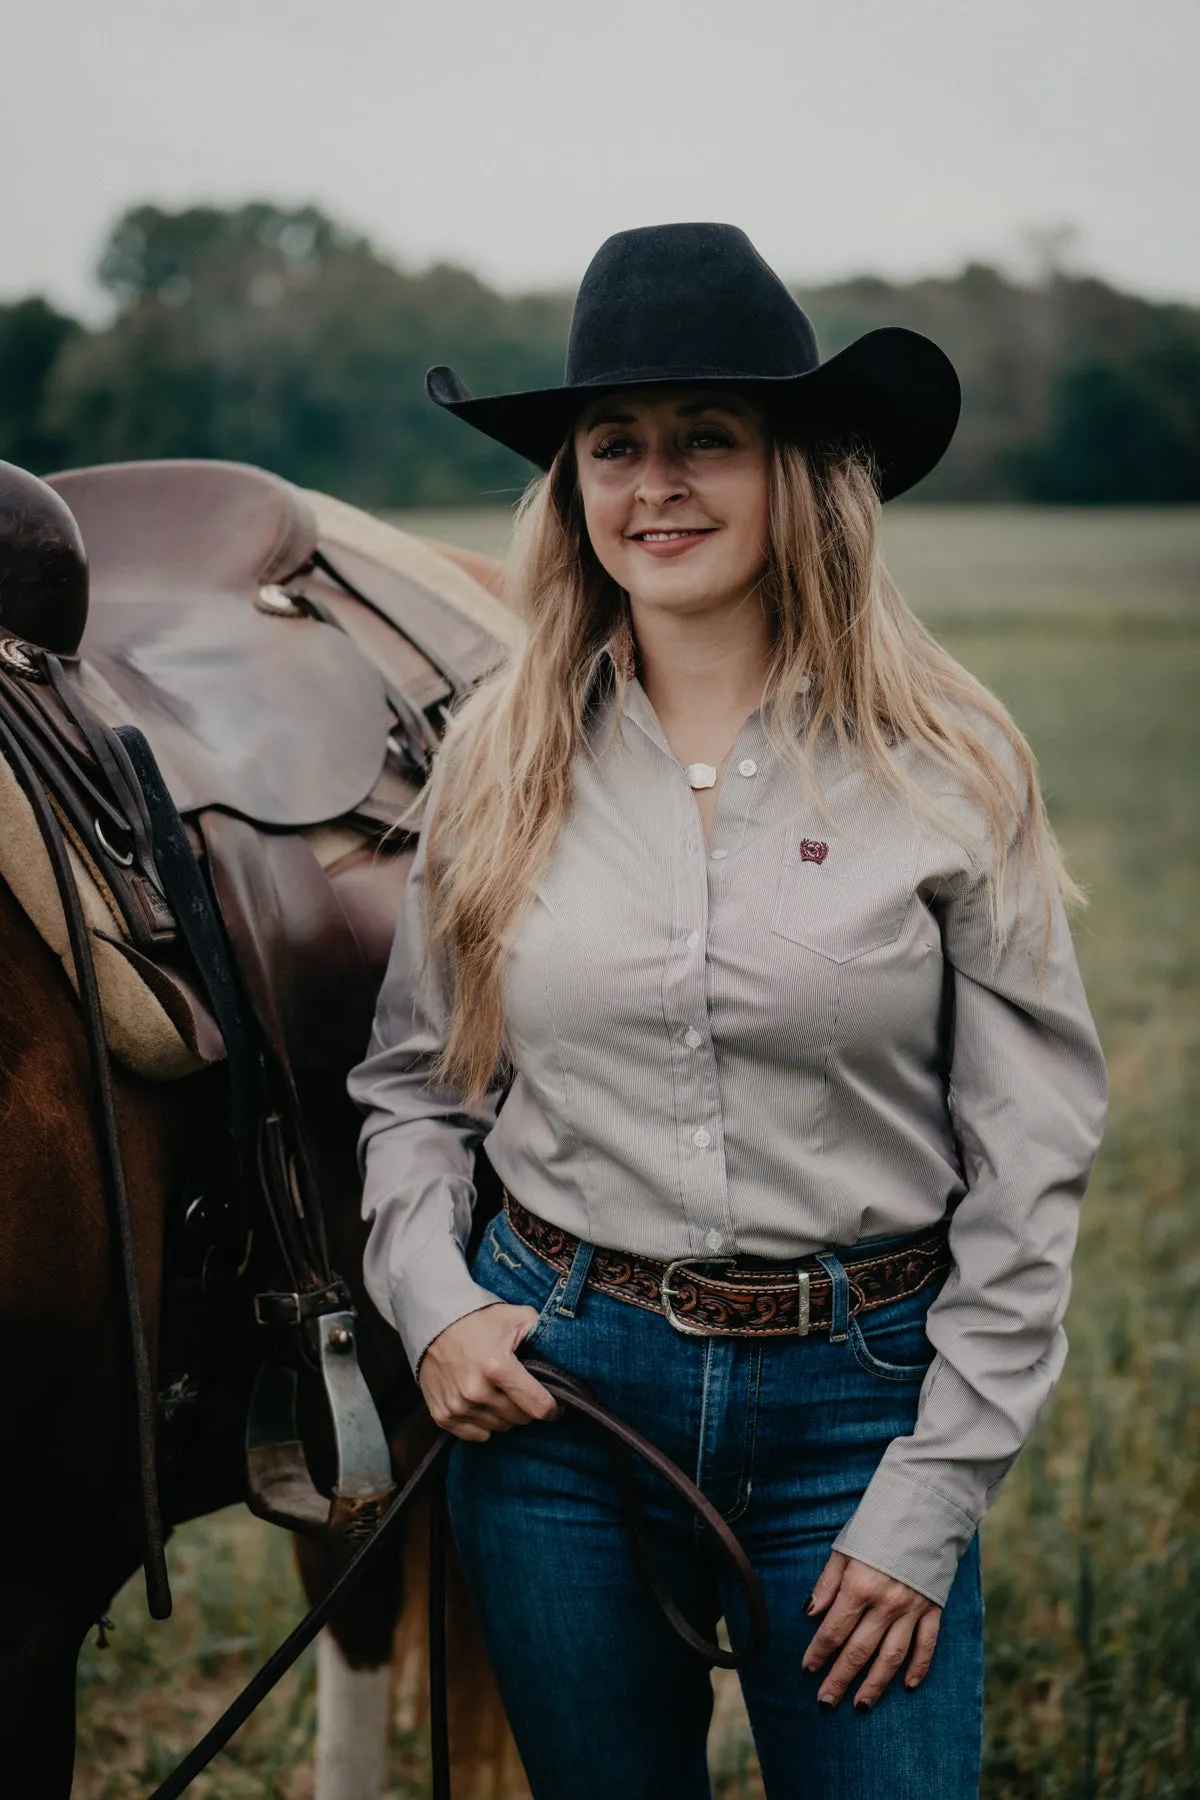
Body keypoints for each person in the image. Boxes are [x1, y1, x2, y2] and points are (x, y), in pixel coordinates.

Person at [348, 222, 1107, 1799]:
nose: (655, 485)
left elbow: (1032, 1163)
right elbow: (416, 1090)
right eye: (613, 446)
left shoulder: (951, 763)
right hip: (561, 1405)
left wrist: (933, 1492)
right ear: (571, 487)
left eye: (710, 440)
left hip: (860, 1409)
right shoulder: (492, 760)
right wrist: (437, 1302)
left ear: (803, 472)